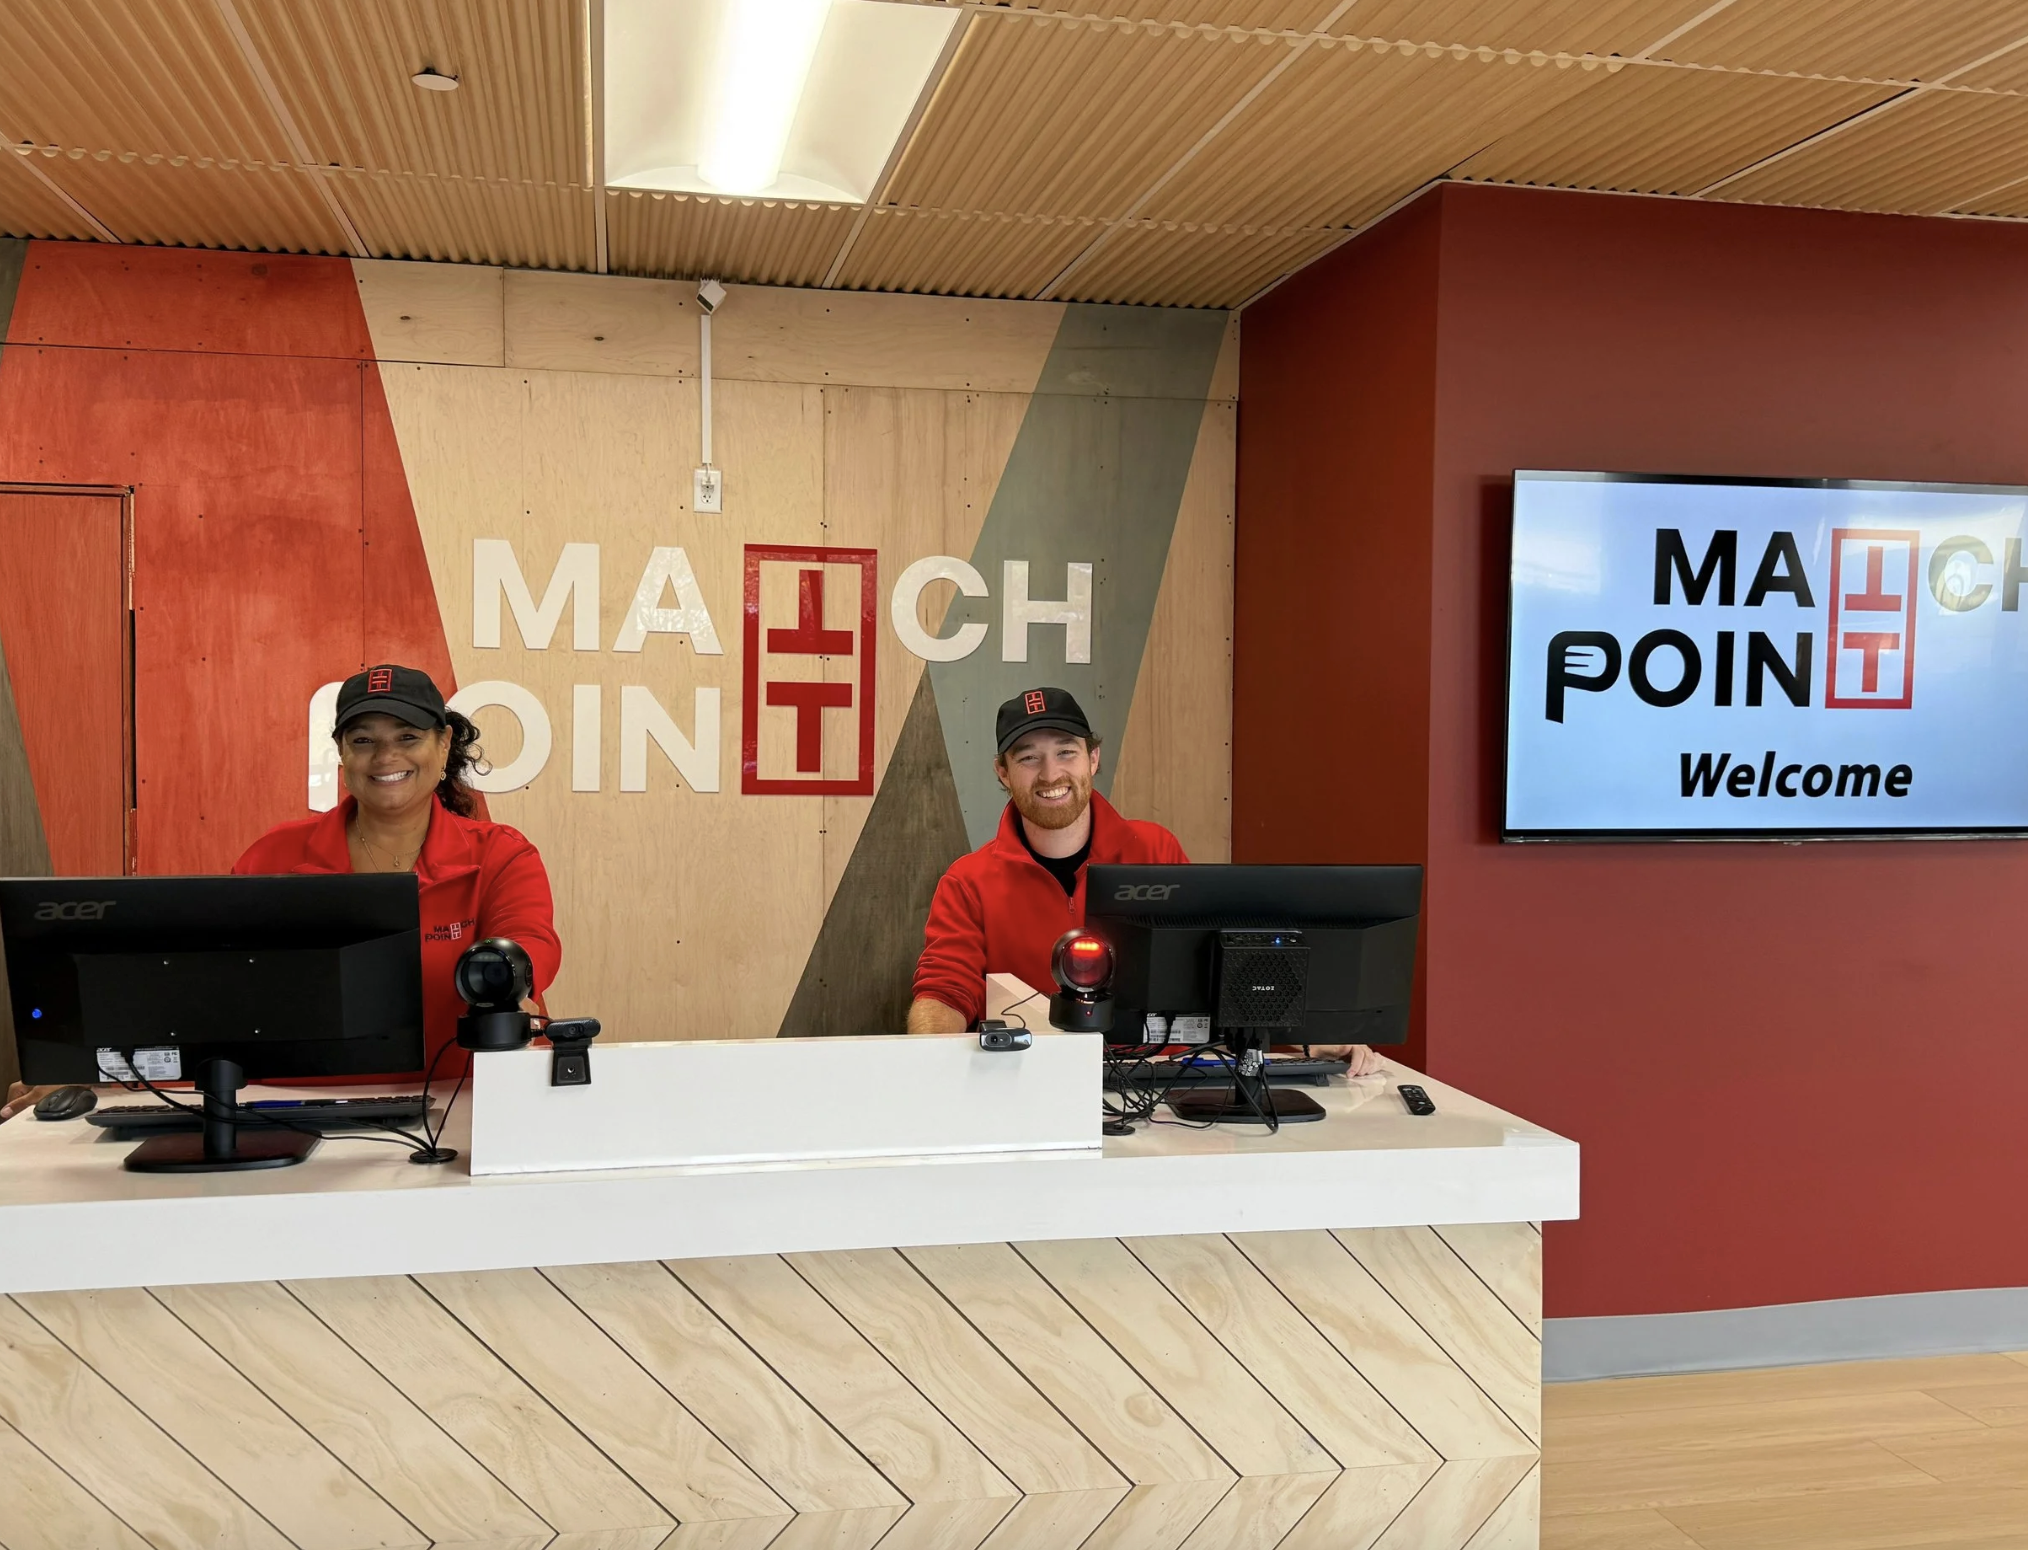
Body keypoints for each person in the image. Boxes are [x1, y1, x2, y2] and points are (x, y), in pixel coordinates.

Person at [907, 686, 1379, 1074]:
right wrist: (930, 1060)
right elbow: (946, 990)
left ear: (1093, 758)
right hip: (1032, 1086)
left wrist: (1301, 1042)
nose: (1051, 774)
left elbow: (1218, 967)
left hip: (1163, 1086)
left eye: (1066, 752)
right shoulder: (967, 880)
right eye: (1028, 758)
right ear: (1002, 773)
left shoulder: (1155, 852)